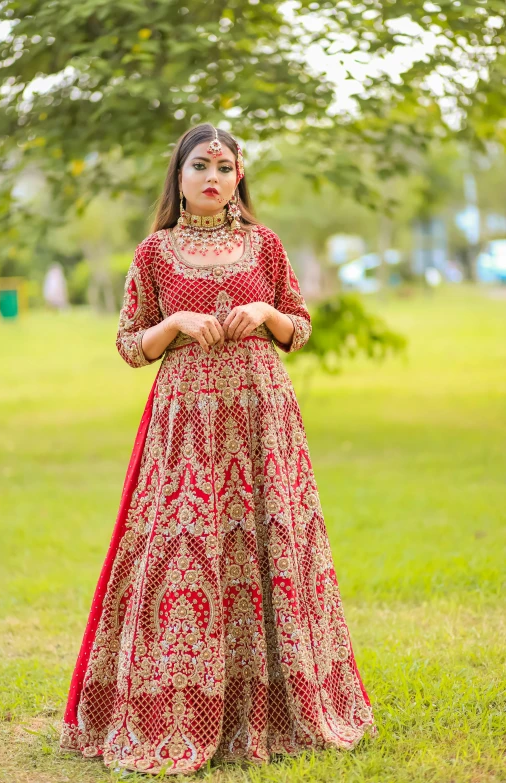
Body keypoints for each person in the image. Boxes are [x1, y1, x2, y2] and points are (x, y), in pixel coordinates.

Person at [59, 123, 376, 775]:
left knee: (267, 546)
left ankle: (283, 707)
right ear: (177, 177)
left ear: (239, 179)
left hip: (262, 415)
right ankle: (172, 710)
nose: (213, 175)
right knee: (181, 553)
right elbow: (127, 343)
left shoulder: (264, 244)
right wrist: (173, 323)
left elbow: (301, 327)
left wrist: (264, 312)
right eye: (199, 164)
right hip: (186, 427)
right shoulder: (153, 253)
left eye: (225, 166)